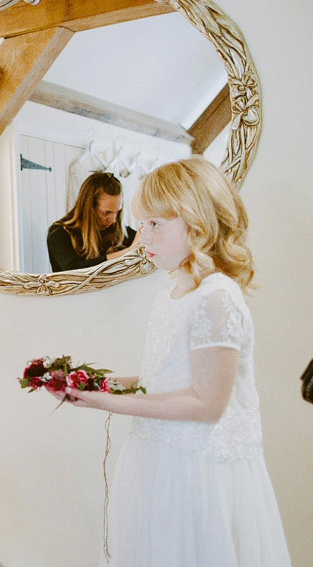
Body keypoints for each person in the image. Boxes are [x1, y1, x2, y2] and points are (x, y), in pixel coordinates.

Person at [51, 158, 291, 566]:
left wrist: (107, 402)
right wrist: (101, 383)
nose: (140, 236)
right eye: (141, 223)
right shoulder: (174, 289)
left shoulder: (216, 296)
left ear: (196, 225)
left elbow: (207, 403)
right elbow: (162, 379)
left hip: (200, 471)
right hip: (160, 458)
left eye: (154, 225)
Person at [47, 171, 139, 272]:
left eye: (117, 212)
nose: (113, 220)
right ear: (89, 209)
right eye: (106, 213)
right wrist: (127, 253)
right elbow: (73, 269)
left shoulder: (122, 234)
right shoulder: (59, 233)